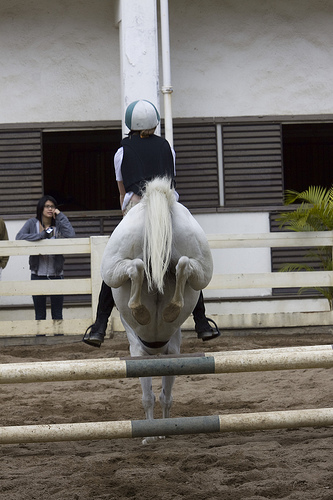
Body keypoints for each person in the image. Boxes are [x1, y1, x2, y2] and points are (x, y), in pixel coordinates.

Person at [83, 100, 220, 348]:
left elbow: (122, 190)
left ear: (129, 124)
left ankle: (99, 326)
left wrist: (127, 215)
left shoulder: (122, 152)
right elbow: (171, 182)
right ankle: (202, 322)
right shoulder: (168, 147)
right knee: (188, 262)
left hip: (137, 207)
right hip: (169, 210)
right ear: (155, 123)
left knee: (112, 267)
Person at [16, 195, 75, 320]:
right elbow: (19, 237)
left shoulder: (58, 224)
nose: (50, 209)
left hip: (57, 273)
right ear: (41, 208)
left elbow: (71, 234)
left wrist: (60, 215)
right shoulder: (32, 223)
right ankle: (40, 338)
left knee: (57, 313)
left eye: (53, 206)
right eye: (47, 206)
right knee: (40, 313)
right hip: (37, 273)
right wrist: (41, 235)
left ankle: (58, 338)